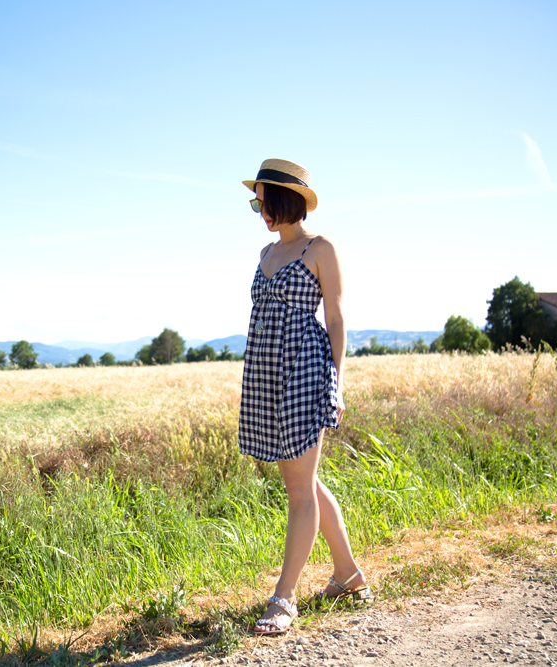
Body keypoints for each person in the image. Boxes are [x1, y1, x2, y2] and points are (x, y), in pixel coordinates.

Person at [238, 158, 371, 636]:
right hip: (268, 374)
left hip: (305, 372)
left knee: (299, 487)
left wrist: (337, 380)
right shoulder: (263, 254)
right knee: (305, 481)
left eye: (264, 202)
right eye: (256, 205)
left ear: (286, 201)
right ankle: (347, 573)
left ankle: (284, 598)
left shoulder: (321, 248)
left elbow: (335, 319)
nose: (260, 212)